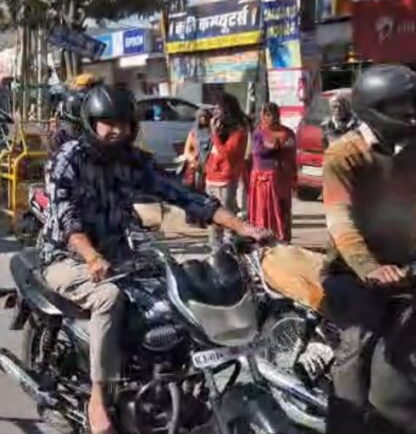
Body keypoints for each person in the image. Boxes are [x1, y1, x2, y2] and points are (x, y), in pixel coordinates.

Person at [43, 84, 269, 434]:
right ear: (91, 123)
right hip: (66, 257)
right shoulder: (68, 159)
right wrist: (91, 256)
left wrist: (242, 226)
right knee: (109, 298)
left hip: (120, 255)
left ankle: (165, 382)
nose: (117, 130)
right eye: (108, 123)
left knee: (172, 301)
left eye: (124, 123)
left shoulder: (131, 160)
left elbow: (181, 195)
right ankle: (98, 398)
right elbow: (66, 218)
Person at [322, 64, 416, 433]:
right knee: (358, 343)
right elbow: (339, 220)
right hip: (352, 274)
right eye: (403, 108)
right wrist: (368, 267)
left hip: (406, 268)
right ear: (375, 108)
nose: (411, 114)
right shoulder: (344, 155)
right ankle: (344, 423)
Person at [204, 93, 249, 248]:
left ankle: (231, 250)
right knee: (211, 217)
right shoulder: (220, 128)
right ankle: (215, 250)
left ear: (227, 110)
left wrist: (215, 134)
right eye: (214, 109)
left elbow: (227, 154)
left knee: (227, 217)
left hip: (225, 180)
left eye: (218, 109)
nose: (215, 113)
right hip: (211, 177)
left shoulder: (239, 131)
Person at [248, 103, 296, 242]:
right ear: (262, 116)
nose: (271, 118)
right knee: (264, 211)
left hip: (282, 179)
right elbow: (258, 151)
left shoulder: (287, 132)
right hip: (263, 180)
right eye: (267, 114)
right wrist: (277, 145)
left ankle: (284, 240)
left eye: (274, 114)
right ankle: (265, 240)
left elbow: (291, 149)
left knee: (282, 210)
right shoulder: (259, 133)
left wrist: (294, 178)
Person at [182, 107, 213, 191]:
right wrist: (193, 160)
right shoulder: (193, 133)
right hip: (197, 166)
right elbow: (187, 151)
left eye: (205, 116)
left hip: (211, 166)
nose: (203, 119)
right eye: (201, 117)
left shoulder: (214, 133)